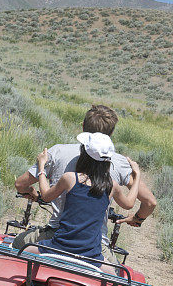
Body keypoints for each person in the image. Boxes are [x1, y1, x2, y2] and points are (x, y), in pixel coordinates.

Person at [13, 105, 157, 262]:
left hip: (58, 236)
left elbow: (21, 184)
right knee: (116, 275)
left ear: (83, 127)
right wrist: (137, 218)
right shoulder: (118, 168)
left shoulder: (58, 154)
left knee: (17, 244)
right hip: (95, 245)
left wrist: (34, 192)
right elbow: (149, 202)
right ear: (111, 134)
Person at [23, 132, 140, 274]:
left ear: (83, 155)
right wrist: (137, 175)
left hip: (58, 248)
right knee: (116, 276)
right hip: (92, 256)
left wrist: (42, 167)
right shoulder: (112, 186)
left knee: (19, 249)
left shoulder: (70, 178)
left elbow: (46, 196)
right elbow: (129, 203)